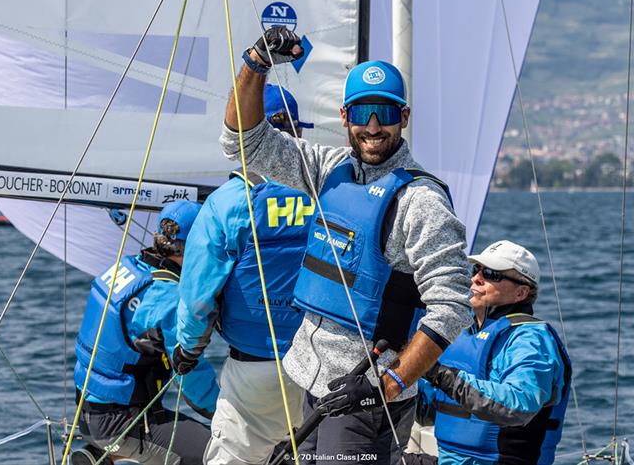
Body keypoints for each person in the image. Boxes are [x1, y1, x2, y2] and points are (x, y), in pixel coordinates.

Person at [213, 27, 471, 464]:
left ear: (404, 117)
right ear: (345, 115)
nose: (373, 126)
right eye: (363, 112)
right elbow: (244, 143)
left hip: (367, 400)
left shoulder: (421, 201)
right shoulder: (330, 169)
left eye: (384, 112)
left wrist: (385, 386)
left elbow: (453, 306)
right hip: (312, 384)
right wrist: (256, 63)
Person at [173, 84, 315, 465]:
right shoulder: (329, 192)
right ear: (298, 133)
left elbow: (198, 294)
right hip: (322, 366)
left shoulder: (226, 203)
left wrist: (189, 349)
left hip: (254, 370)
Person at [71, 200, 219, 465]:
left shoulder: (124, 268)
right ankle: (110, 447)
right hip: (123, 424)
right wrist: (232, 416)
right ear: (197, 247)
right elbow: (192, 381)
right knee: (228, 452)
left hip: (86, 413)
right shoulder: (171, 298)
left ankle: (99, 453)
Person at [419, 240, 571, 465]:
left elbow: (519, 405)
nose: (476, 278)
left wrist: (442, 376)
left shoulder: (531, 339)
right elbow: (429, 413)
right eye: (476, 270)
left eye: (492, 274)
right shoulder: (463, 332)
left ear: (521, 292)